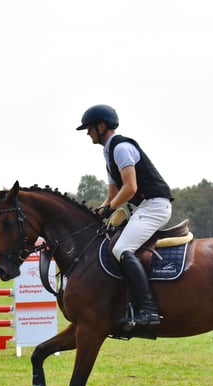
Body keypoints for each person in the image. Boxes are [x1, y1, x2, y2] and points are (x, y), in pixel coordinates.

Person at [76, 104, 173, 327]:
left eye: (89, 129)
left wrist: (110, 209)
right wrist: (98, 212)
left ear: (102, 126)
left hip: (155, 206)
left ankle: (148, 310)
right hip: (144, 208)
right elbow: (113, 194)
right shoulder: (108, 152)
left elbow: (129, 188)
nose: (88, 134)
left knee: (121, 248)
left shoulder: (121, 148)